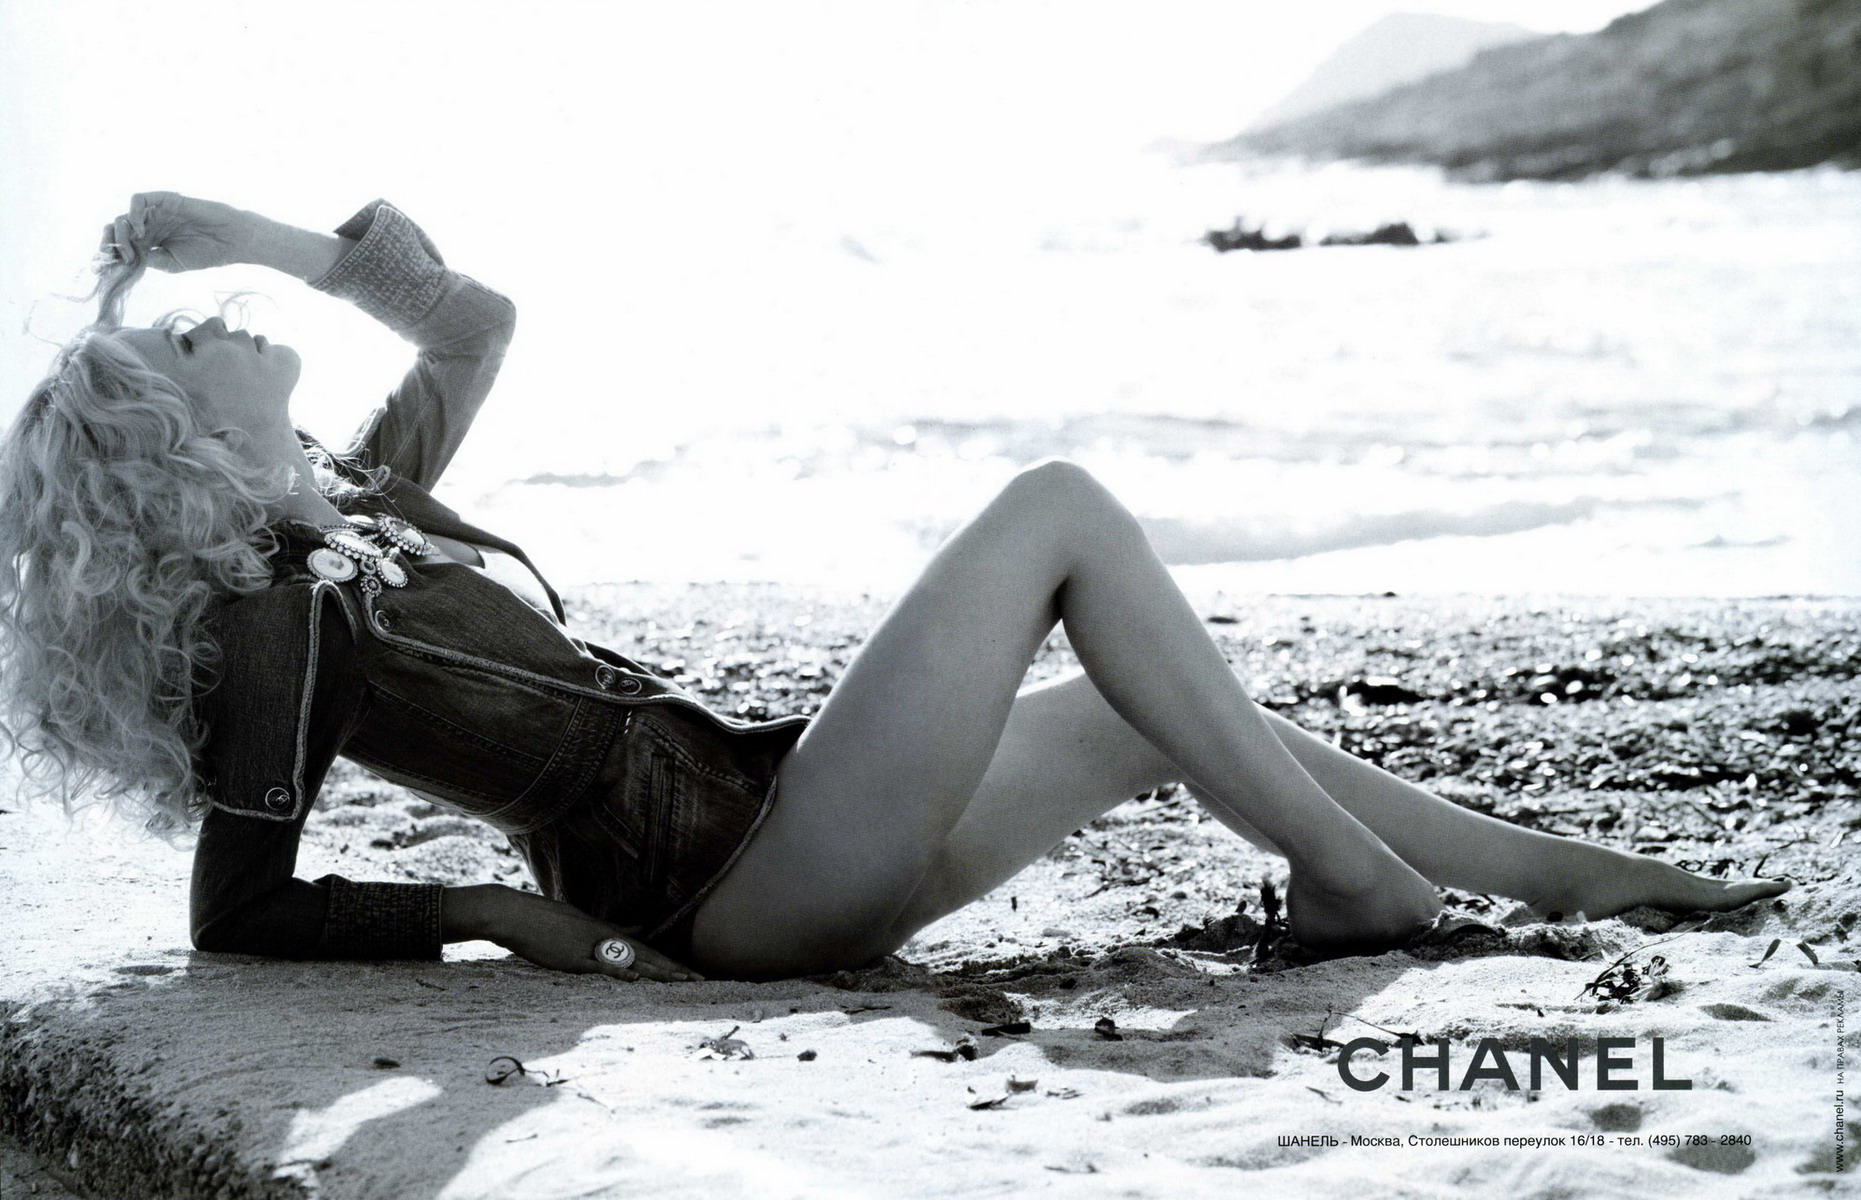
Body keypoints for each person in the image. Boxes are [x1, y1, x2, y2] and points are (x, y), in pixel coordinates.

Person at [0, 193, 1787, 984]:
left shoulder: (361, 502)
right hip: (726, 885)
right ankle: (1357, 892)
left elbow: (476, 325)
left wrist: (256, 238)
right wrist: (485, 914)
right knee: (1056, 509)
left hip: (764, 818)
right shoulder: (276, 614)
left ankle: (1569, 876)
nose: (220, 322)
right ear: (173, 442)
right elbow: (240, 913)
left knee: (1141, 715)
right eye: (187, 336)